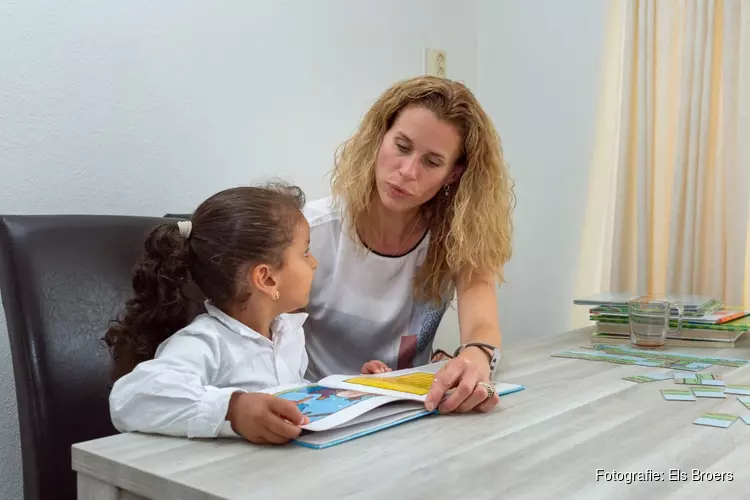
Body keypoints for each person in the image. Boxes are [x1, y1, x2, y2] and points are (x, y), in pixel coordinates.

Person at [104, 183, 388, 445]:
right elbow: (130, 398)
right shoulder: (205, 341)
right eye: (305, 252)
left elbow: (292, 397)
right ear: (266, 279)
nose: (314, 263)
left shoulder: (289, 332)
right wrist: (234, 410)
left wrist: (350, 388)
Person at [302, 75, 515, 415]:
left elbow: (482, 325)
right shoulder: (309, 231)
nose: (407, 171)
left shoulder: (458, 235)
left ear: (453, 175)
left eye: (432, 162)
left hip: (412, 414)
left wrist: (476, 356)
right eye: (402, 147)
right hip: (318, 416)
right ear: (379, 138)